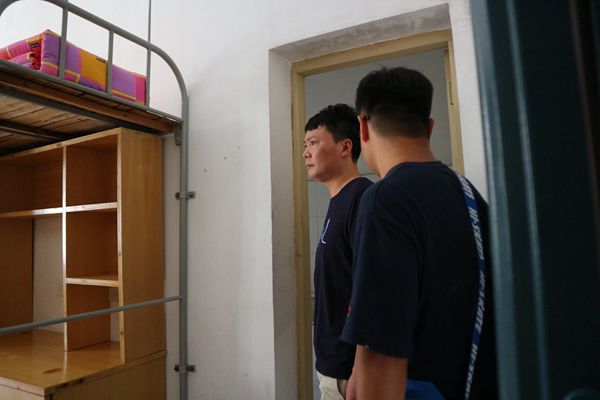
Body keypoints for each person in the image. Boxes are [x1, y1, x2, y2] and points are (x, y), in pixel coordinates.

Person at [341, 67, 498, 400]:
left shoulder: (384, 200)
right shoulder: (469, 195)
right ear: (429, 127)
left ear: (363, 127)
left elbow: (382, 351)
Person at [304, 104, 373, 400]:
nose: (306, 153)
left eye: (313, 142)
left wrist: (360, 369)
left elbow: (371, 291)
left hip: (349, 374)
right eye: (305, 145)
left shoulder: (362, 199)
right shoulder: (339, 201)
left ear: (345, 147)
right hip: (333, 369)